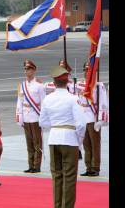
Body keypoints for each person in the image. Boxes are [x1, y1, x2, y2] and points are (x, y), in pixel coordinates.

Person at [39, 66, 87, 208]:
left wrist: (55, 125)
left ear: (54, 82)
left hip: (54, 138)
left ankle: (58, 205)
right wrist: (79, 142)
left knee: (57, 176)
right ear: (68, 82)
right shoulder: (73, 99)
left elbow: (42, 122)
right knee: (70, 177)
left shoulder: (48, 99)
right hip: (70, 139)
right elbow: (81, 124)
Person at [77, 61, 109, 177]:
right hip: (83, 118)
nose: (87, 72)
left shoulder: (98, 86)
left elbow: (103, 103)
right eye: (85, 70)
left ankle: (95, 167)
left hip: (93, 117)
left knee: (95, 144)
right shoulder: (80, 85)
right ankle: (88, 167)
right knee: (86, 144)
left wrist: (100, 120)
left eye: (89, 70)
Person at [15, 59, 45, 173]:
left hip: (36, 116)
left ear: (34, 70)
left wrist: (42, 118)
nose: (27, 71)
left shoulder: (39, 86)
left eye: (29, 69)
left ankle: (37, 166)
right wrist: (19, 116)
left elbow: (43, 103)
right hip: (26, 117)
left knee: (37, 143)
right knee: (29, 143)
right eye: (25, 69)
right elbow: (19, 101)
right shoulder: (22, 85)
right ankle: (30, 165)